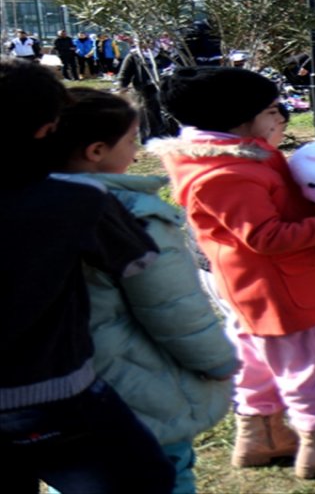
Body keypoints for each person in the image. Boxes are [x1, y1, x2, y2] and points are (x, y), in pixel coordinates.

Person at [151, 67, 315, 479]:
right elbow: (267, 237)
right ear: (239, 119)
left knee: (254, 358)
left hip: (253, 286)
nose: (280, 117)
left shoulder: (228, 158)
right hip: (277, 287)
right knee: (306, 366)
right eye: (271, 110)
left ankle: (261, 438)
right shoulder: (226, 173)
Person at [47, 89, 238, 494]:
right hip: (134, 385)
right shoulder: (131, 215)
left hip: (55, 386)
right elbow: (173, 306)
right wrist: (218, 361)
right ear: (96, 151)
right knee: (165, 471)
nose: (136, 153)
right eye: (131, 141)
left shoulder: (25, 202)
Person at [0, 58, 175, 493]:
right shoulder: (76, 199)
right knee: (143, 482)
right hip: (49, 394)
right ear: (47, 128)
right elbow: (138, 262)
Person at [119, 42, 177, 141]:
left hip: (163, 88)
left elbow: (172, 69)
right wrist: (122, 87)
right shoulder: (134, 56)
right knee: (147, 115)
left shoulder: (163, 55)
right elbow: (124, 74)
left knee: (166, 114)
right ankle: (150, 138)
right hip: (143, 90)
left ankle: (168, 134)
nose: (147, 44)